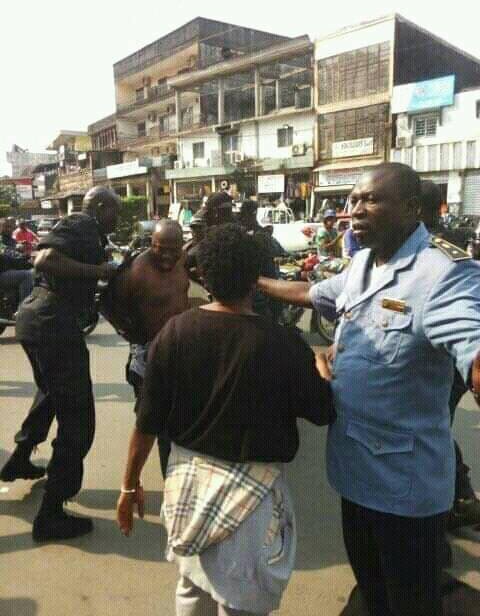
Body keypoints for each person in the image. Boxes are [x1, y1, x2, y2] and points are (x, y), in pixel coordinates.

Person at [258, 162, 480, 616]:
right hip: (354, 472)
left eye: (371, 199)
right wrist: (251, 281)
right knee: (372, 588)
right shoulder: (363, 262)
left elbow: (472, 341)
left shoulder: (442, 274)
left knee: (412, 602)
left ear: (412, 208)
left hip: (405, 487)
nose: (356, 209)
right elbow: (315, 294)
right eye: (354, 199)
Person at [116, 224, 333, 616]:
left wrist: (129, 487)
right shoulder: (283, 343)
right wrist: (320, 368)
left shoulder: (174, 332)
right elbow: (322, 411)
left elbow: (146, 422)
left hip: (188, 489)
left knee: (190, 588)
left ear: (203, 278)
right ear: (256, 281)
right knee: (240, 603)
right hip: (251, 500)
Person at [0, 186, 120, 542]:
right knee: (78, 417)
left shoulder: (91, 231)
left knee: (50, 394)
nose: (118, 218)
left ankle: (20, 457)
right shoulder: (81, 222)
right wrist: (98, 270)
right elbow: (45, 260)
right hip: (53, 324)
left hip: (38, 319)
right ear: (99, 207)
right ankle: (52, 512)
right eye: (114, 211)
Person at [101, 220, 190, 478]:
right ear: (152, 243)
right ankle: (160, 477)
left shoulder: (182, 261)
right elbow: (107, 305)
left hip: (180, 349)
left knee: (178, 415)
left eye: (173, 249)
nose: (167, 256)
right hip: (149, 352)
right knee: (155, 419)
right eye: (160, 249)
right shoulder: (136, 270)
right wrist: (130, 333)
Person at [420, 180, 480, 532]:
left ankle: (453, 503)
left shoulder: (430, 249)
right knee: (436, 428)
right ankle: (460, 497)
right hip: (451, 362)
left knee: (431, 432)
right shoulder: (453, 239)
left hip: (441, 361)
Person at [0, 218, 34, 305]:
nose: (9, 229)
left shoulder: (12, 241)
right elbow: (9, 253)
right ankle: (23, 308)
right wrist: (22, 255)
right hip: (3, 272)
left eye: (10, 227)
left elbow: (17, 255)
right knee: (27, 275)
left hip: (11, 270)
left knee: (37, 272)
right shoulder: (1, 240)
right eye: (6, 227)